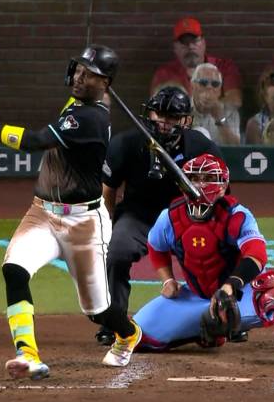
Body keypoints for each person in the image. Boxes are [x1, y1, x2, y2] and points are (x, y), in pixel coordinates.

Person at [0, 44, 142, 379]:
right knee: (15, 270)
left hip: (84, 223)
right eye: (79, 70)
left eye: (89, 75)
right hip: (42, 214)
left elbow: (33, 141)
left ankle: (129, 333)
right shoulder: (77, 107)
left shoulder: (90, 119)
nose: (79, 77)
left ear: (105, 84)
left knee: (98, 311)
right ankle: (27, 353)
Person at [132, 153, 274, 363]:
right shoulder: (170, 216)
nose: (200, 184)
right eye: (194, 178)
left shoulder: (237, 215)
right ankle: (204, 332)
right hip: (195, 297)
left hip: (239, 296)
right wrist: (168, 280)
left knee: (272, 292)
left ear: (223, 185)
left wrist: (231, 285)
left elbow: (257, 254)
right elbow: (156, 247)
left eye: (208, 178)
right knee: (136, 335)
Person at [93, 87, 224, 346]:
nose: (164, 122)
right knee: (116, 253)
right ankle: (113, 322)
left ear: (186, 120)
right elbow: (108, 190)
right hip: (138, 215)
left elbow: (220, 193)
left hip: (185, 219)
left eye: (172, 117)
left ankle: (221, 320)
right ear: (149, 113)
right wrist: (105, 228)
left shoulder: (201, 147)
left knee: (213, 257)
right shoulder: (126, 143)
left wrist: (212, 229)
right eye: (159, 114)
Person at [150, 16, 243, 108]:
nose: (190, 46)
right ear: (175, 47)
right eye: (184, 42)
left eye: (195, 41)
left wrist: (205, 109)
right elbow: (157, 109)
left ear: (203, 43)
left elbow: (235, 101)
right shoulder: (164, 74)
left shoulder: (224, 66)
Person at [190, 63, 241, 145]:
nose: (209, 87)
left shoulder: (230, 112)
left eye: (215, 84)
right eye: (203, 83)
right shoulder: (182, 108)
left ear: (219, 90)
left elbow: (235, 147)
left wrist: (220, 119)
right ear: (193, 86)